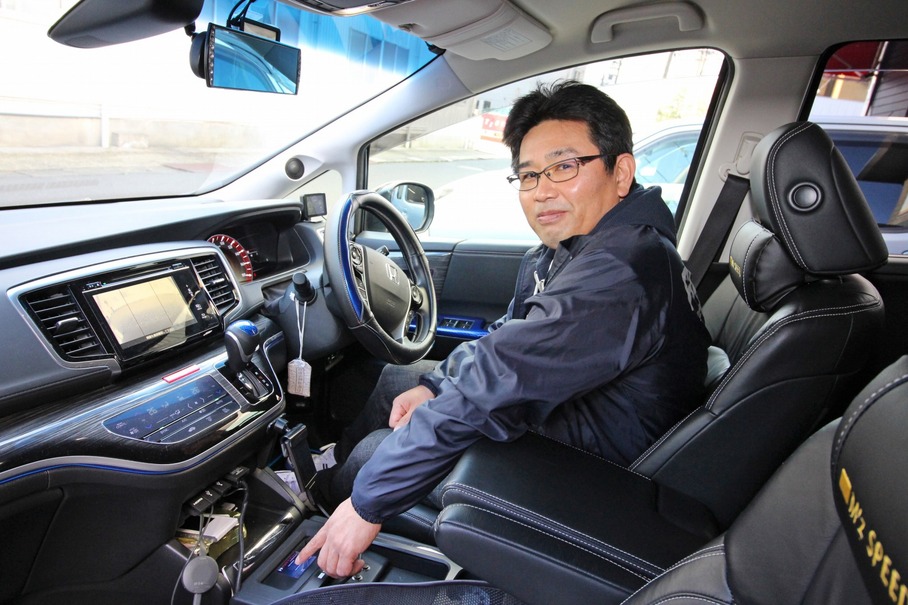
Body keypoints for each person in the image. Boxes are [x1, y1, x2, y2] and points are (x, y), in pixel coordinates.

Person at [296, 80, 711, 577]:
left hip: (591, 462)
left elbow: (497, 380)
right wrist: (435, 385)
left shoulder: (619, 272)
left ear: (620, 172)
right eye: (529, 175)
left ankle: (318, 512)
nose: (542, 191)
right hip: (582, 410)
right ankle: (328, 473)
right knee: (397, 381)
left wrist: (367, 504)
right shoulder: (585, 246)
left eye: (564, 167)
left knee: (375, 455)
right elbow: (507, 339)